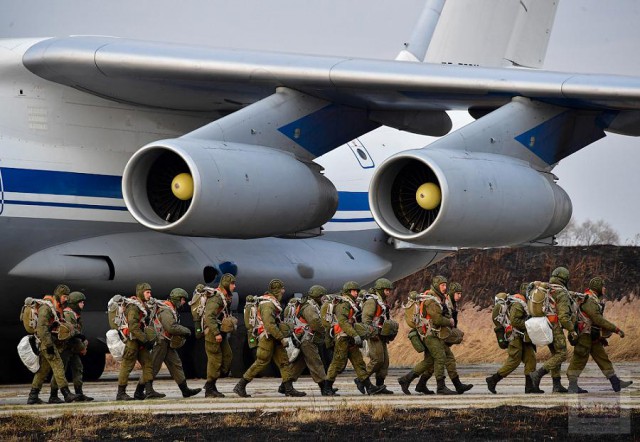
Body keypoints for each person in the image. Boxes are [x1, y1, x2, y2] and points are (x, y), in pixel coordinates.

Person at [234, 279, 305, 398]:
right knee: (261, 361)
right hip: (267, 338)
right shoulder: (268, 304)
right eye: (282, 289)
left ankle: (288, 388)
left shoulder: (272, 302)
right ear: (277, 290)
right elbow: (269, 324)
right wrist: (281, 338)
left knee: (284, 362)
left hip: (274, 337)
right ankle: (241, 385)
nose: (283, 291)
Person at [566, 277, 632, 393]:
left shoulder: (593, 299)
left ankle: (616, 382)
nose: (604, 288)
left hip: (592, 335)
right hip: (584, 335)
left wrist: (601, 336)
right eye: (603, 286)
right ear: (597, 287)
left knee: (602, 358)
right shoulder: (590, 300)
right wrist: (615, 329)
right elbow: (598, 319)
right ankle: (572, 385)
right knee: (579, 359)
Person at [325, 281, 384, 395]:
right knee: (337, 363)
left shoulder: (351, 303)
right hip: (342, 337)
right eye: (354, 291)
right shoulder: (344, 304)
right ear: (348, 292)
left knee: (359, 362)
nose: (356, 293)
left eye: (357, 291)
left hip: (349, 337)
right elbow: (343, 322)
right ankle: (327, 388)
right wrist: (355, 334)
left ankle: (369, 387)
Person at [27, 284, 80, 404]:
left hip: (48, 342)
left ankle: (33, 397)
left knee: (43, 371)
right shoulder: (46, 308)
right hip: (47, 343)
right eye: (64, 296)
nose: (66, 299)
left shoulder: (56, 308)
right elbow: (42, 328)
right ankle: (66, 394)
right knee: (58, 365)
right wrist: (49, 345)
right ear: (58, 296)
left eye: (67, 296)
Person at [486, 284, 542, 394]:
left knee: (531, 359)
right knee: (514, 361)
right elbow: (514, 321)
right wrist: (529, 325)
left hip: (523, 336)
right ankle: (493, 380)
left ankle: (530, 387)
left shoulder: (524, 303)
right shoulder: (518, 304)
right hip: (514, 337)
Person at [282, 285, 334, 396]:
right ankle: (325, 388)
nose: (323, 299)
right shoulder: (309, 308)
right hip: (307, 339)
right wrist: (325, 330)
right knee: (316, 362)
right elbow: (315, 323)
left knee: (298, 364)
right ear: (317, 296)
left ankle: (285, 386)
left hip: (304, 338)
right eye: (322, 297)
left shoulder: (310, 305)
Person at [116, 282, 165, 401]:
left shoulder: (142, 306)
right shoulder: (133, 307)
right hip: (133, 341)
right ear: (141, 293)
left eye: (150, 292)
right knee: (127, 366)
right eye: (147, 292)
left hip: (140, 342)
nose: (150, 294)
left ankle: (148, 391)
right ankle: (120, 393)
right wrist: (145, 340)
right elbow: (133, 327)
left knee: (148, 363)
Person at [528, 267, 573, 393]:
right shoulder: (561, 292)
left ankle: (557, 385)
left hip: (544, 326)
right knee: (562, 354)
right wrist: (572, 329)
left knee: (555, 354)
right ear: (565, 278)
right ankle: (538, 374)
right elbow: (564, 317)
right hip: (555, 327)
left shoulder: (547, 288)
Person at [150, 288, 201, 398]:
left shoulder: (171, 309)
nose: (183, 302)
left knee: (176, 365)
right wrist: (186, 331)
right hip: (161, 342)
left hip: (168, 342)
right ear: (177, 299)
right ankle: (143, 390)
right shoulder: (166, 309)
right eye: (182, 300)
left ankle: (185, 390)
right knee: (153, 366)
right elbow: (171, 327)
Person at [49, 291, 93, 403]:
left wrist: (82, 343)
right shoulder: (68, 315)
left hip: (73, 348)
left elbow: (78, 333)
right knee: (60, 371)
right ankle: (53, 395)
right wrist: (82, 346)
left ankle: (79, 394)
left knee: (78, 368)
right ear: (74, 303)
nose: (83, 304)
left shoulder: (76, 315)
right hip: (65, 347)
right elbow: (70, 333)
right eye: (80, 302)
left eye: (83, 302)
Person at [203, 274, 236, 398]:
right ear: (226, 284)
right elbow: (209, 316)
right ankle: (210, 388)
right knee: (215, 360)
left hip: (220, 332)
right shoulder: (216, 297)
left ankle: (212, 383)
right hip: (212, 333)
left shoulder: (225, 297)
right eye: (232, 284)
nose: (234, 286)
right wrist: (216, 333)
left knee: (227, 356)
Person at [360, 278, 394, 394]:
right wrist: (371, 333)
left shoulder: (382, 302)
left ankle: (380, 385)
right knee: (377, 360)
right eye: (386, 290)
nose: (388, 292)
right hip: (374, 334)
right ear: (380, 289)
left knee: (385, 362)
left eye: (389, 290)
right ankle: (361, 379)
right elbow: (366, 319)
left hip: (382, 334)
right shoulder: (372, 301)